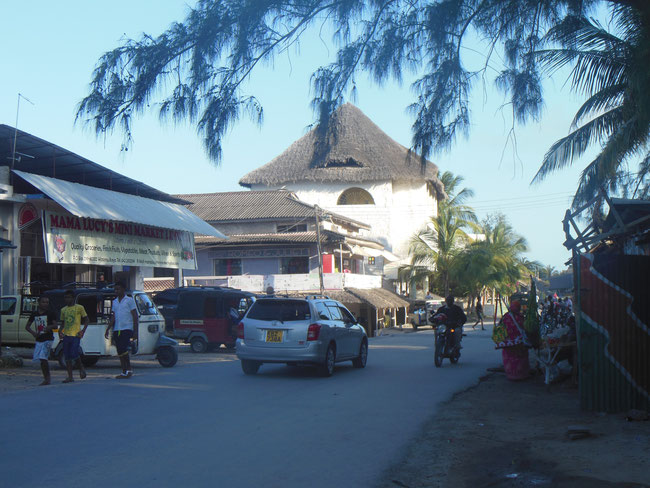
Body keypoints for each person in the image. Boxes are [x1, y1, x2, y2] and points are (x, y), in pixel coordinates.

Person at [105, 282, 138, 379]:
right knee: (120, 350)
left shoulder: (129, 300)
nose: (116, 291)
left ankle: (128, 369)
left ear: (123, 289)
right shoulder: (115, 302)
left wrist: (135, 331)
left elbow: (135, 316)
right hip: (117, 329)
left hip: (126, 328)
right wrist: (108, 328)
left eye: (118, 289)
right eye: (115, 289)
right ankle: (124, 371)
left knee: (123, 349)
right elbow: (113, 317)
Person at [25, 296, 57, 386]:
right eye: (43, 302)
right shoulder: (34, 314)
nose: (45, 304)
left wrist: (48, 327)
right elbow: (27, 326)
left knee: (43, 358)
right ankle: (46, 377)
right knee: (41, 359)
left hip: (48, 338)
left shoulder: (50, 313)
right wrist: (34, 333)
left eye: (47, 302)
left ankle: (47, 379)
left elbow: (55, 325)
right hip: (39, 339)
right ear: (39, 303)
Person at [59, 290, 89, 383]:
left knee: (74, 352)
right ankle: (70, 376)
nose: (67, 299)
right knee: (67, 356)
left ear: (73, 298)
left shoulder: (79, 308)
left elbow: (86, 319)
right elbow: (63, 322)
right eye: (65, 297)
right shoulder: (63, 310)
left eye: (69, 297)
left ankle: (81, 368)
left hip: (76, 334)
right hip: (66, 335)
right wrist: (60, 331)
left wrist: (83, 331)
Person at [500, 300, 530, 381]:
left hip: (508, 343)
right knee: (520, 358)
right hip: (519, 343)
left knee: (510, 359)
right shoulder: (520, 317)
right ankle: (521, 374)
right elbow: (525, 328)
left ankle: (511, 375)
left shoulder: (506, 316)